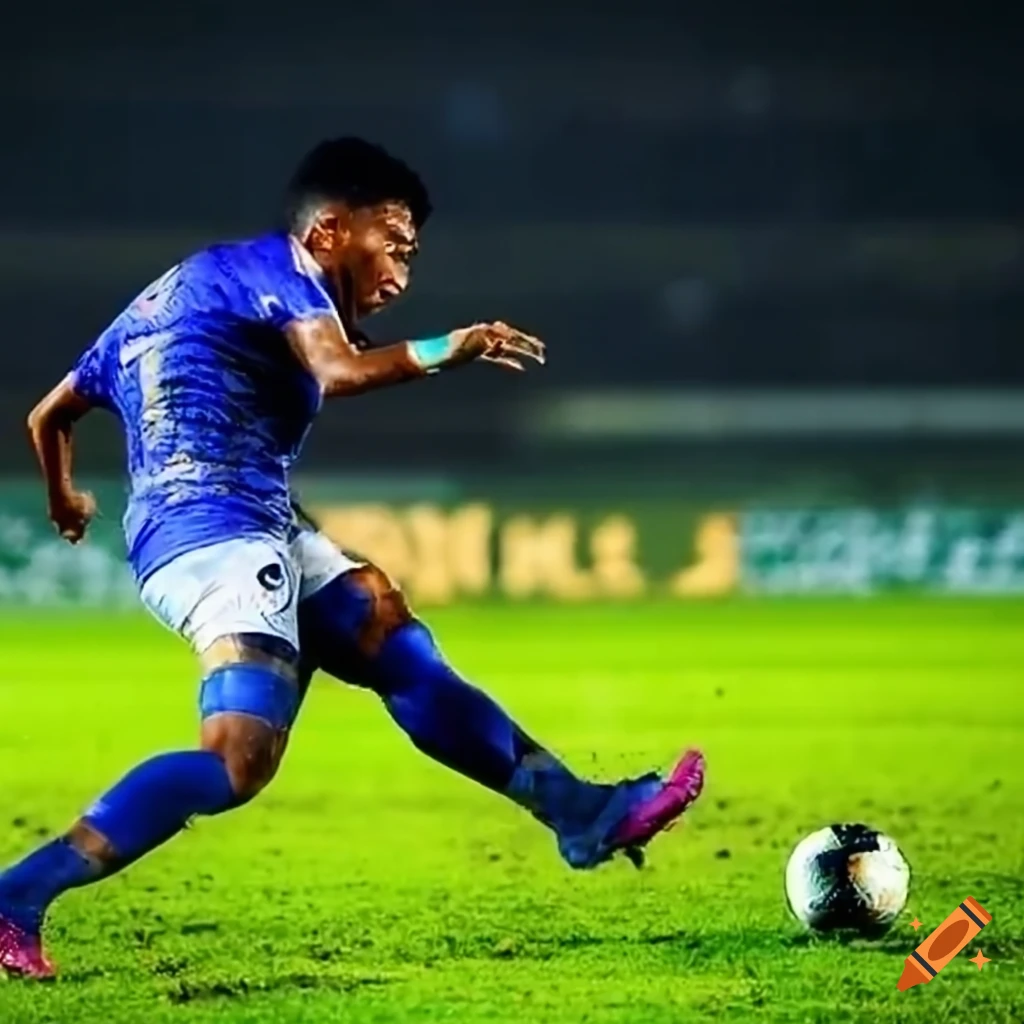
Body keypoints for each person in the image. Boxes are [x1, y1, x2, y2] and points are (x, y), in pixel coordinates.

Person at [0, 138, 704, 980]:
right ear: (331, 230)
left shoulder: (168, 297)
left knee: (390, 637)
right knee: (236, 758)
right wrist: (454, 346)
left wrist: (63, 500)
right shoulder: (279, 268)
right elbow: (335, 372)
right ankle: (17, 894)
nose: (402, 275)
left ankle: (581, 812)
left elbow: (49, 416)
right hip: (215, 534)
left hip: (242, 519)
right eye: (396, 245)